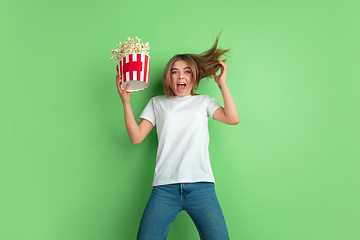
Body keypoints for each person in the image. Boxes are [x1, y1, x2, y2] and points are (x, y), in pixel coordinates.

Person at [116, 34, 239, 240]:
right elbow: (136, 137)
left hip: (201, 186)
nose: (180, 76)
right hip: (165, 188)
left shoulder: (204, 102)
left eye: (186, 72)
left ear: (194, 77)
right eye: (175, 72)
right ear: (169, 77)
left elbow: (232, 118)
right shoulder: (157, 103)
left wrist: (222, 84)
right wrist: (126, 102)